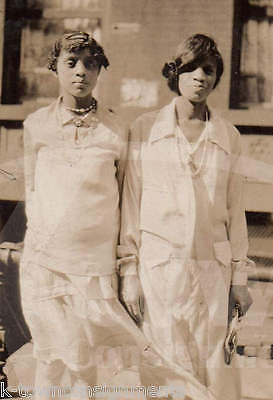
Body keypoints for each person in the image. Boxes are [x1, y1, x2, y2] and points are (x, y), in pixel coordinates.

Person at [119, 33, 253, 400]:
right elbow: (130, 205)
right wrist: (129, 273)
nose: (199, 77)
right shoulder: (145, 130)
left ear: (216, 78)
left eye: (208, 70)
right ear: (176, 72)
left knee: (209, 372)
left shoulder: (229, 136)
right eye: (191, 67)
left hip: (212, 272)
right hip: (160, 270)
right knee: (161, 369)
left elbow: (235, 211)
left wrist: (238, 278)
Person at [20, 31, 149, 400]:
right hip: (46, 268)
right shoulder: (36, 126)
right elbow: (33, 193)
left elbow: (127, 204)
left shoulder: (117, 129)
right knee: (49, 359)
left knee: (84, 362)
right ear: (55, 68)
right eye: (71, 63)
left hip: (93, 272)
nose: (81, 72)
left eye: (91, 64)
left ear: (100, 71)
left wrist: (127, 269)